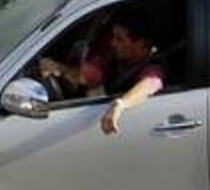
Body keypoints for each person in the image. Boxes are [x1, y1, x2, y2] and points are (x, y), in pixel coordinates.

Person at [37, 10, 166, 136]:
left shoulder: (153, 69)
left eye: (119, 39)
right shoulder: (115, 59)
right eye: (113, 37)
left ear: (140, 43)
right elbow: (89, 75)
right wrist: (58, 68)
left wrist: (120, 105)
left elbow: (150, 84)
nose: (113, 43)